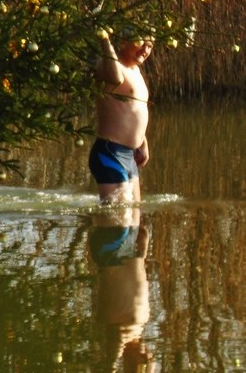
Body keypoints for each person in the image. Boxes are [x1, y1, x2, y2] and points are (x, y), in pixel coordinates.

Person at [89, 30, 153, 203]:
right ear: (124, 42)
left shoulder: (136, 72)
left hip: (130, 155)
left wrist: (143, 143)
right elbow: (115, 77)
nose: (145, 50)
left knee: (134, 218)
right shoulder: (107, 64)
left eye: (149, 46)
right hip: (110, 152)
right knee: (119, 220)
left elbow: (135, 109)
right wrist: (104, 38)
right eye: (141, 43)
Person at [88, 207, 154, 372]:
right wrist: (142, 253)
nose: (147, 355)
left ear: (131, 363)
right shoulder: (138, 329)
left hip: (113, 253)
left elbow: (111, 359)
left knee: (115, 197)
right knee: (130, 192)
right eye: (150, 358)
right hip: (130, 249)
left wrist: (113, 364)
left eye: (143, 364)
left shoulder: (120, 337)